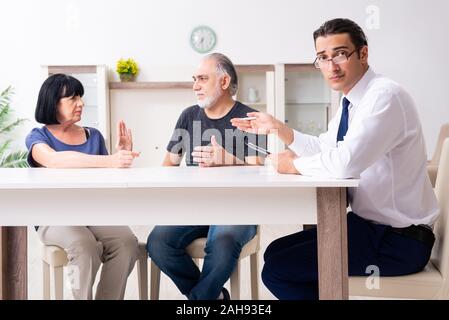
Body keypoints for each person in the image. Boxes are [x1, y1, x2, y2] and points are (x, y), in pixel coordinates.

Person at [231, 18, 439, 300]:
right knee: (275, 252)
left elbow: (343, 164)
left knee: (278, 269)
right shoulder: (350, 101)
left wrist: (293, 165)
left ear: (363, 54)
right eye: (323, 58)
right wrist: (280, 129)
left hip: (398, 241)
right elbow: (324, 148)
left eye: (340, 54)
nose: (331, 66)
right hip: (369, 227)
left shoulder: (384, 96)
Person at [147, 53, 266, 300]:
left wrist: (226, 159)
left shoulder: (251, 118)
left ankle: (199, 302)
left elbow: (262, 168)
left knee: (222, 241)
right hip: (195, 205)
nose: (195, 86)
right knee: (158, 241)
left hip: (238, 207)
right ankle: (214, 297)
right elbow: (170, 162)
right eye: (194, 79)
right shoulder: (188, 116)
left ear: (224, 82)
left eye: (202, 78)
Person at [25, 73, 140, 299]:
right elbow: (55, 161)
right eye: (73, 98)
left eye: (81, 97)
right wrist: (110, 161)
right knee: (83, 245)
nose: (81, 103)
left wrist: (120, 158)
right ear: (53, 102)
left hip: (92, 213)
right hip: (53, 217)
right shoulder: (38, 137)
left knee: (127, 243)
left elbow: (107, 179)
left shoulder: (94, 136)